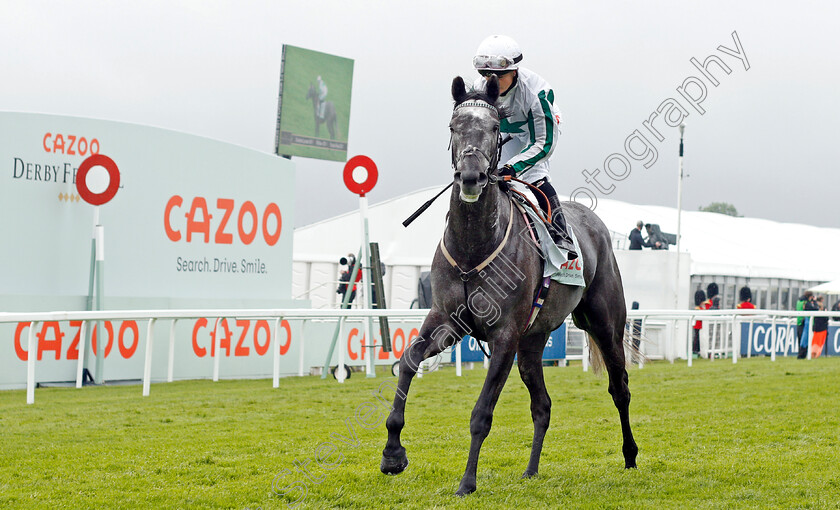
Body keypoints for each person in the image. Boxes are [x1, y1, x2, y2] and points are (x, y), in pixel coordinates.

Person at [471, 35, 576, 259]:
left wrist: (514, 167)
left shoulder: (537, 93)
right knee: (491, 177)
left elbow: (544, 144)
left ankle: (561, 236)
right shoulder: (480, 89)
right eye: (486, 74)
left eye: (499, 75)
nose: (491, 81)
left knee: (534, 176)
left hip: (536, 132)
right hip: (507, 129)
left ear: (514, 71)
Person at [693, 290, 706, 356]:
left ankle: (697, 349)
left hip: (700, 325)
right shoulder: (698, 308)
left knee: (698, 338)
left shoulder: (700, 308)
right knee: (696, 338)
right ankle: (695, 349)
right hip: (697, 325)